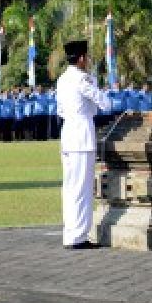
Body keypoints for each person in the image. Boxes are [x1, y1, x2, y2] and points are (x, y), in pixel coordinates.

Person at [55, 39, 112, 250]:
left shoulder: (62, 80)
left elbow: (60, 110)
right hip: (82, 136)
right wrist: (95, 83)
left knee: (69, 188)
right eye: (86, 57)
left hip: (68, 134)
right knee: (82, 188)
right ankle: (79, 236)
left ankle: (71, 233)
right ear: (81, 59)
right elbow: (105, 103)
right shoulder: (83, 80)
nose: (88, 61)